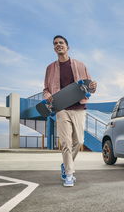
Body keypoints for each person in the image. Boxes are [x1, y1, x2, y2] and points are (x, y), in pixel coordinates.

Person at [43, 35, 97, 187]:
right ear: (54, 48)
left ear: (67, 47)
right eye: (55, 43)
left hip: (79, 108)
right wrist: (48, 96)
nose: (58, 45)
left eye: (61, 43)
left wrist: (93, 86)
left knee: (79, 141)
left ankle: (66, 165)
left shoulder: (80, 65)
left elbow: (90, 88)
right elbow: (46, 89)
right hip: (60, 108)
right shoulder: (50, 68)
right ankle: (69, 174)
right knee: (66, 142)